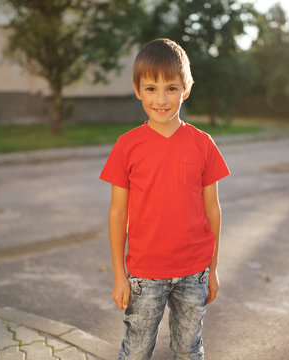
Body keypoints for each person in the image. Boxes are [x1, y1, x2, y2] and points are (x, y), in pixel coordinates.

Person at [100, 38, 230, 360]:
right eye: (151, 88)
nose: (161, 99)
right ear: (137, 89)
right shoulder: (126, 146)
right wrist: (119, 274)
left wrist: (212, 269)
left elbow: (213, 210)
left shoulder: (203, 144)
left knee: (188, 350)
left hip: (194, 271)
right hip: (145, 274)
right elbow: (118, 214)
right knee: (136, 352)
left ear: (186, 88)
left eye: (171, 88)